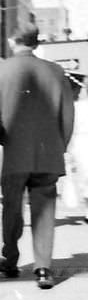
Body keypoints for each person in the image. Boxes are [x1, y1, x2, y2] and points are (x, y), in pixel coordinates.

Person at [0, 22, 75, 290]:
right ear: (37, 42)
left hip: (12, 152)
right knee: (45, 210)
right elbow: (67, 116)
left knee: (11, 208)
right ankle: (43, 268)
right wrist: (60, 145)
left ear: (11, 41)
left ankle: (10, 258)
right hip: (47, 152)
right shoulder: (56, 72)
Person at [68, 82, 88, 222]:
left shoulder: (77, 107)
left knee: (85, 177)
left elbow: (71, 129)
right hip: (81, 141)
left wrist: (69, 149)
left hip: (81, 144)